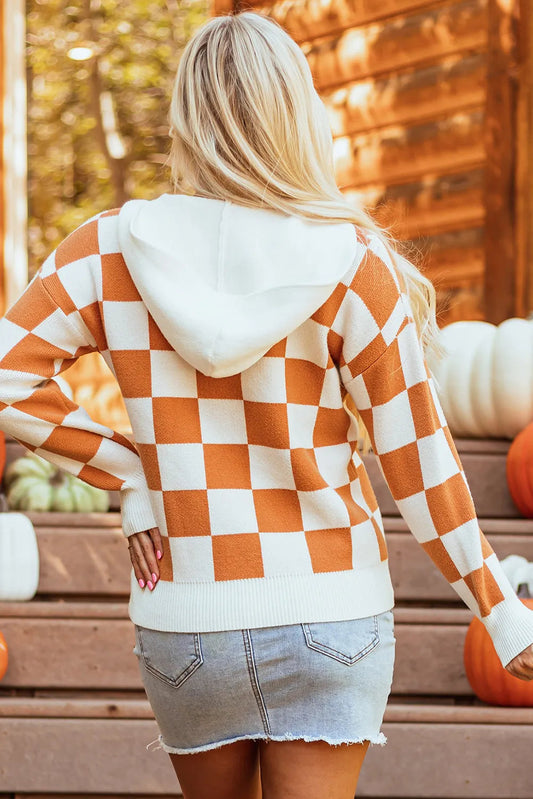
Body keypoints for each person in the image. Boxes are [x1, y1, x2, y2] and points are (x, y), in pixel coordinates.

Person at [1, 9, 533, 799]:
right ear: (296, 113)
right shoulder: (352, 263)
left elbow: (9, 375)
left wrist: (131, 471)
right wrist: (501, 610)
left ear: (185, 116)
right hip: (331, 613)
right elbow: (417, 463)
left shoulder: (108, 248)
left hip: (189, 620)